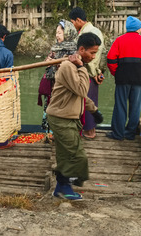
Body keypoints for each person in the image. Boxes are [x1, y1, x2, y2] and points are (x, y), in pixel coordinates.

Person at [46, 32, 104, 200]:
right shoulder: (68, 67)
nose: (94, 57)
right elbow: (81, 89)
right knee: (78, 156)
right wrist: (81, 68)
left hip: (68, 118)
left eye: (95, 53)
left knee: (65, 155)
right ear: (81, 49)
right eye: (92, 53)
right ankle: (67, 185)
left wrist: (93, 110)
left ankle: (61, 188)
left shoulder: (75, 67)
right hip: (60, 118)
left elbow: (80, 97)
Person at [107, 16, 141, 140]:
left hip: (122, 79)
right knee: (135, 108)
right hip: (137, 80)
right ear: (138, 29)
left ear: (128, 28)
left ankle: (118, 134)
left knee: (120, 106)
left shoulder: (119, 40)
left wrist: (115, 73)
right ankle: (130, 134)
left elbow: (110, 59)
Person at [69, 7, 105, 139]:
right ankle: (89, 130)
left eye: (73, 22)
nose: (73, 25)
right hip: (94, 72)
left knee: (87, 102)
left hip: (88, 73)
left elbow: (90, 57)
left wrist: (93, 73)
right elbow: (103, 54)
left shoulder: (87, 33)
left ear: (78, 20)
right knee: (89, 102)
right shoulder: (96, 31)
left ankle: (89, 132)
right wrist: (100, 72)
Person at [38, 19, 77, 133]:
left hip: (63, 89)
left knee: (61, 114)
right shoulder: (55, 47)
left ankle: (60, 135)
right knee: (50, 110)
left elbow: (72, 70)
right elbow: (47, 62)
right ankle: (49, 134)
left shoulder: (74, 51)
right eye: (56, 33)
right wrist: (48, 61)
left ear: (68, 33)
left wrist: (57, 64)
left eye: (60, 33)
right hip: (52, 86)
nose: (57, 35)